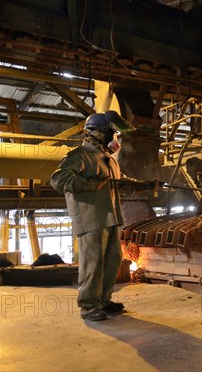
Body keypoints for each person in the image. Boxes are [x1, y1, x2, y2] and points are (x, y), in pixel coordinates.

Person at [51, 110, 135, 321]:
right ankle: (88, 306)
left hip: (111, 217)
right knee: (93, 262)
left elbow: (118, 182)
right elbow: (59, 179)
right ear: (96, 133)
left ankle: (104, 301)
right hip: (90, 218)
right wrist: (87, 184)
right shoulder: (79, 155)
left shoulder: (109, 160)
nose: (113, 138)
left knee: (113, 259)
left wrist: (139, 185)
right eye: (110, 133)